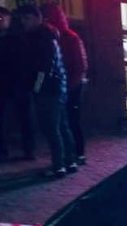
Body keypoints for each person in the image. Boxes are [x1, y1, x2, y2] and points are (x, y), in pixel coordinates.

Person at [17, 4, 76, 178]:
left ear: (38, 18)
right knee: (61, 126)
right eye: (22, 19)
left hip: (49, 89)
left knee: (52, 128)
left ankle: (59, 166)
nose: (24, 22)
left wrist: (36, 88)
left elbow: (44, 67)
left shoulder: (42, 38)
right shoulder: (48, 35)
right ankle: (69, 161)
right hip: (57, 87)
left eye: (27, 18)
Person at [42, 3, 87, 165]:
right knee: (64, 121)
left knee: (71, 120)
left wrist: (70, 86)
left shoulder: (70, 37)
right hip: (62, 84)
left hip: (71, 85)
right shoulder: (54, 37)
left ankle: (78, 153)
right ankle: (71, 154)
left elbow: (80, 66)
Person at [0, 6, 36, 161]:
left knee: (25, 117)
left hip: (19, 84)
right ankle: (3, 150)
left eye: (1, 18)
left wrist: (30, 83)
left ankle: (29, 149)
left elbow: (28, 62)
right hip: (5, 84)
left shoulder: (18, 38)